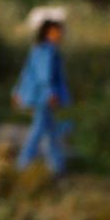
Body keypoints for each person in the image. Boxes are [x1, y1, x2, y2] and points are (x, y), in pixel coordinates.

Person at [12, 20, 70, 177]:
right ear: (48, 32)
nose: (61, 34)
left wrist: (17, 91)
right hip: (44, 98)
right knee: (39, 131)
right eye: (57, 31)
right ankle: (22, 166)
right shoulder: (47, 51)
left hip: (39, 96)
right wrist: (51, 94)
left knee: (51, 132)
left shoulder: (38, 49)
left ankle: (57, 168)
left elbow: (27, 72)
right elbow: (45, 76)